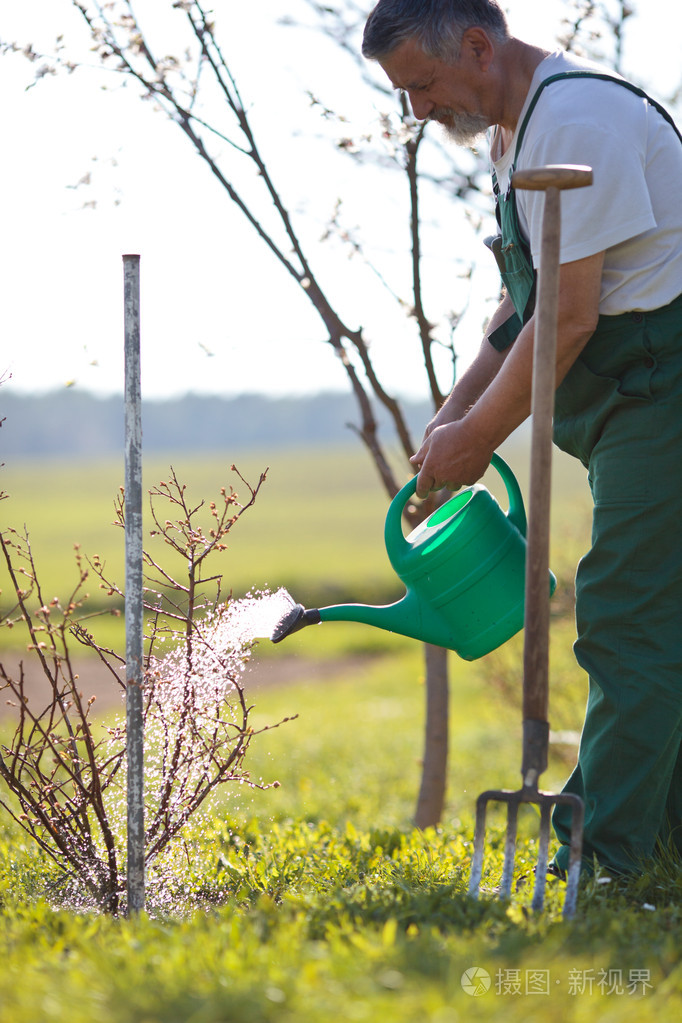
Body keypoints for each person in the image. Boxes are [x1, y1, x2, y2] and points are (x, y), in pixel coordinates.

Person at [362, 0, 682, 879]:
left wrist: (477, 442)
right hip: (633, 394)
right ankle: (660, 848)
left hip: (664, 389)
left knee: (626, 616)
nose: (418, 111)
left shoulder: (579, 119)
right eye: (404, 95)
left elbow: (571, 318)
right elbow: (523, 303)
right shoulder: (515, 133)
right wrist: (452, 415)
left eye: (421, 85)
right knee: (659, 619)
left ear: (476, 46)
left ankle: (602, 859)